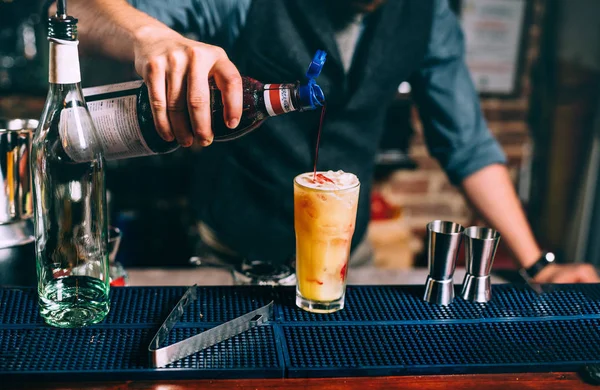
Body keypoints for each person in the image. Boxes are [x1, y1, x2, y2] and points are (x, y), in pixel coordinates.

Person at [66, 0, 598, 283]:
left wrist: (536, 264)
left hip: (349, 257)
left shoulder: (429, 15)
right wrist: (151, 35)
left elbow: (468, 146)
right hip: (231, 254)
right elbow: (74, 10)